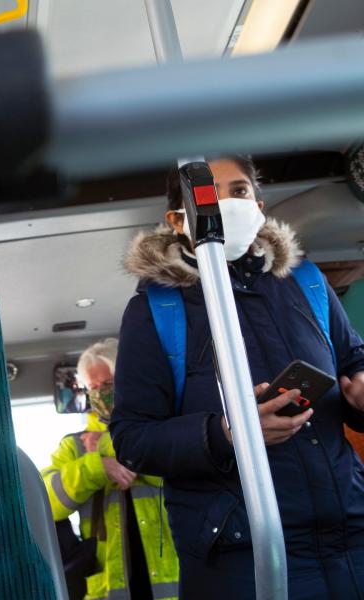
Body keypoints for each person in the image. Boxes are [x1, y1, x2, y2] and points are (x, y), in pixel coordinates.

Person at [110, 155, 364, 598]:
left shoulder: (304, 280)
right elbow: (133, 438)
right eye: (209, 195)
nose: (226, 204)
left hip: (353, 530)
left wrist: (360, 390)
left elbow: (352, 362)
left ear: (260, 206)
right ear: (177, 220)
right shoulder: (157, 309)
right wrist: (230, 435)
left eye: (240, 191)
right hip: (241, 553)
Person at [42, 339, 179, 600]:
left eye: (108, 384)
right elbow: (46, 500)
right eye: (93, 387)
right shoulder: (75, 446)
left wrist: (107, 444)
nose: (101, 393)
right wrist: (98, 467)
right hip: (107, 587)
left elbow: (181, 472)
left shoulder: (162, 429)